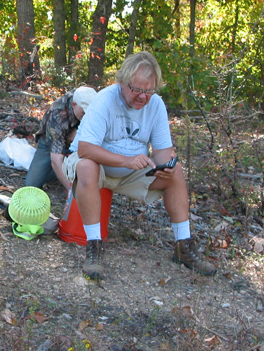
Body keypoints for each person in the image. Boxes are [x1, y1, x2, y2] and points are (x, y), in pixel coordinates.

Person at [62, 51, 216, 280]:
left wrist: (167, 164)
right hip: (97, 167)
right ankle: (94, 248)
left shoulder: (156, 106)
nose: (143, 97)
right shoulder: (105, 100)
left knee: (177, 173)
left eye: (149, 91)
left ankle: (184, 247)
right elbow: (85, 149)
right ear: (122, 83)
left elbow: (163, 149)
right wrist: (126, 161)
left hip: (132, 172)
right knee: (86, 166)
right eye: (137, 90)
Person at [25, 86, 97, 193]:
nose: (86, 117)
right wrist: (72, 191)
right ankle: (59, 173)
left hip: (77, 142)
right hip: (50, 142)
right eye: (84, 113)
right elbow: (55, 160)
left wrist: (77, 133)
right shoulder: (57, 115)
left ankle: (70, 171)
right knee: (31, 184)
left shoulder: (87, 97)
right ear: (74, 105)